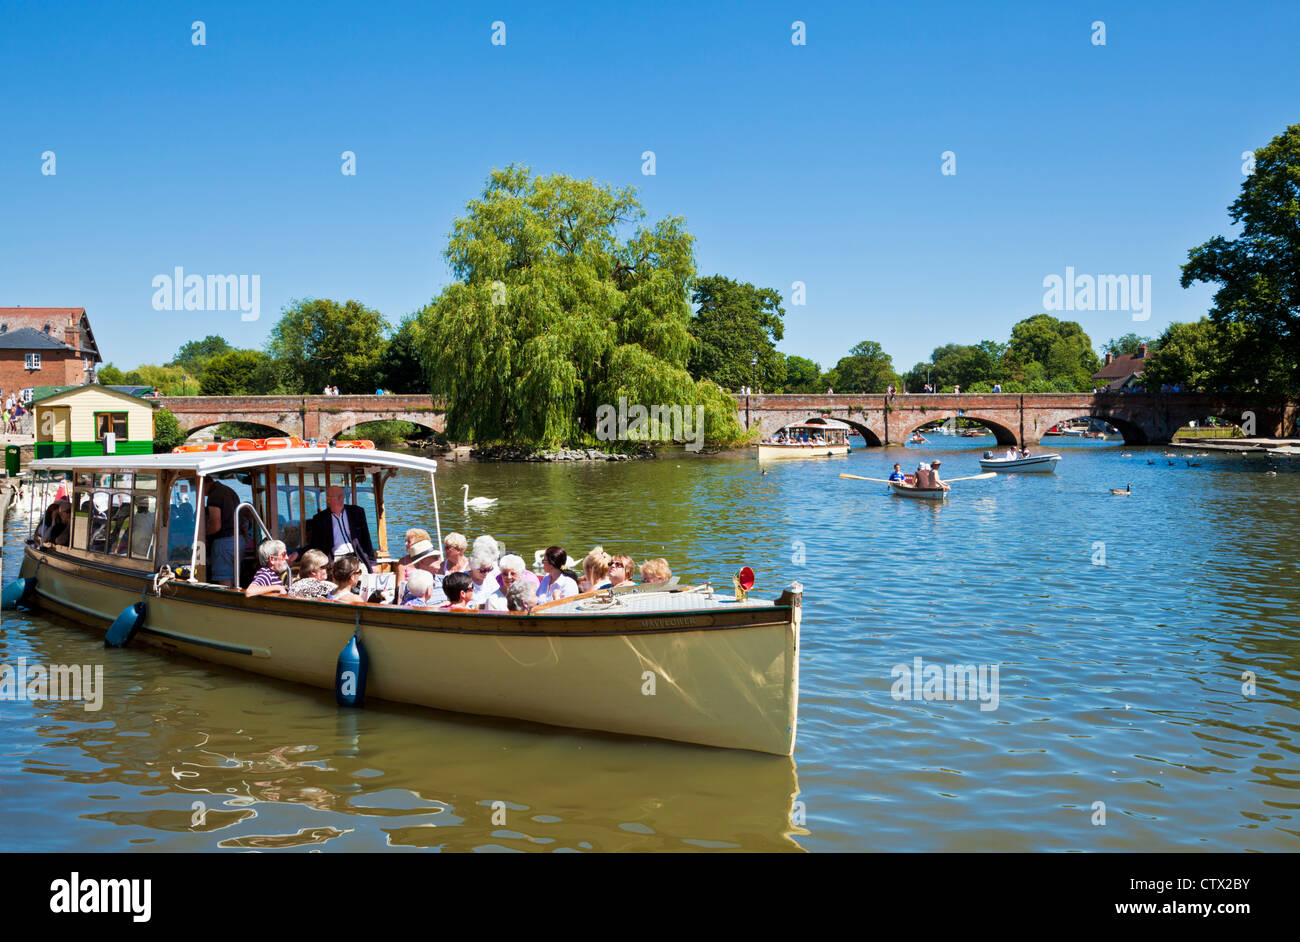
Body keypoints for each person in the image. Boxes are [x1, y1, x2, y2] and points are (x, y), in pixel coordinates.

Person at [307, 485, 377, 572]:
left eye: (342, 496)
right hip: (335, 560)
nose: (341, 499)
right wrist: (298, 553)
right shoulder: (320, 519)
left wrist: (372, 563)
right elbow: (315, 545)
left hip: (356, 558)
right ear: (328, 499)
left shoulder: (357, 512)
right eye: (338, 496)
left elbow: (366, 539)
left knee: (363, 578)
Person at [204, 477, 240, 587]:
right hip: (239, 540)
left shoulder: (214, 495)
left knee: (224, 581)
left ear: (205, 483)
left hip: (224, 542)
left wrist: (202, 535)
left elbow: (216, 526)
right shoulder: (229, 490)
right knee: (235, 578)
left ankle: (229, 602)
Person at [395, 528, 441, 597]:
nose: (405, 543)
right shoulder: (402, 562)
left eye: (409, 541)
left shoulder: (433, 562)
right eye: (405, 540)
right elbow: (399, 586)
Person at [468, 542, 502, 608]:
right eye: (482, 570)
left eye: (489, 569)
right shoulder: (462, 579)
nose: (486, 573)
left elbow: (498, 598)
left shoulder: (490, 579)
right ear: (472, 567)